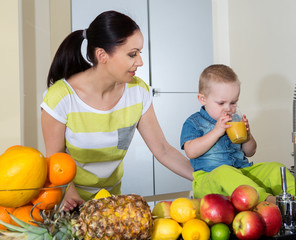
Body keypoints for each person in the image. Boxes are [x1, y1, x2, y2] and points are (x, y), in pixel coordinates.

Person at [40, 10, 194, 211]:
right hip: (69, 204)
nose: (140, 62)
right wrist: (69, 193)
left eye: (140, 53)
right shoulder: (60, 98)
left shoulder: (138, 92)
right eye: (132, 54)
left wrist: (203, 175)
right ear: (102, 55)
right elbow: (55, 161)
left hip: (111, 203)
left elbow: (163, 150)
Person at [180, 64, 295, 203]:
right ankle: (266, 200)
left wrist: (247, 136)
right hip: (210, 179)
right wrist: (216, 131)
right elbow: (191, 151)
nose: (228, 109)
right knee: (224, 172)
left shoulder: (235, 120)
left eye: (233, 102)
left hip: (242, 171)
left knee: (275, 168)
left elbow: (250, 152)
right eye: (221, 103)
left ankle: (292, 199)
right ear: (203, 99)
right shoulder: (194, 122)